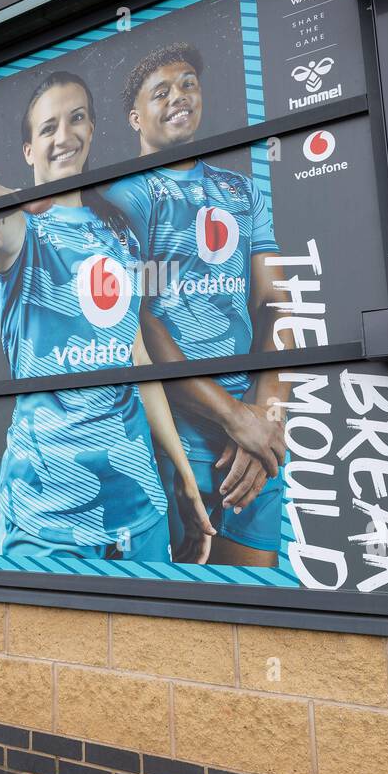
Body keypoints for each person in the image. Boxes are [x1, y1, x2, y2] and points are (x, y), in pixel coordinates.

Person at [0, 71, 209, 562]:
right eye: (48, 128)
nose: (65, 136)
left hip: (140, 516)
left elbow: (138, 359)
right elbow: (4, 230)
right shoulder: (27, 236)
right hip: (44, 526)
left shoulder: (119, 233)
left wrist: (183, 477)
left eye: (77, 118)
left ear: (93, 129)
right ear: (28, 151)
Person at [102, 42, 288, 567]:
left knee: (256, 610)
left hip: (252, 437)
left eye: (187, 83)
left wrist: (265, 418)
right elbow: (135, 321)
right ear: (136, 117)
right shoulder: (124, 198)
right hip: (171, 439)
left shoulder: (243, 193)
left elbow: (275, 305)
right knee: (179, 619)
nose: (179, 96)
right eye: (160, 92)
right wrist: (234, 418)